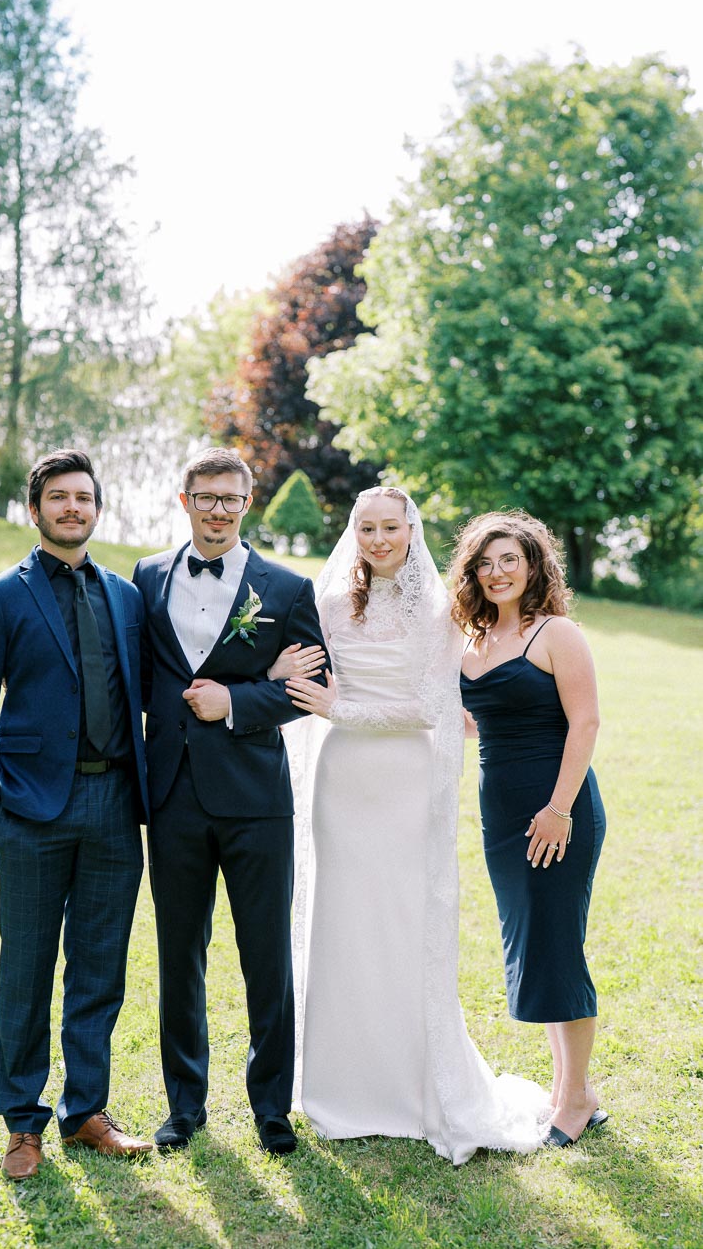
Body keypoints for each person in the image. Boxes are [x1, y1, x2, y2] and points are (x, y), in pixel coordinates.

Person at [281, 487, 549, 1165]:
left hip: (401, 778)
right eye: (365, 527)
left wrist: (343, 710)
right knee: (342, 919)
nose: (377, 539)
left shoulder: (439, 609)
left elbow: (430, 705)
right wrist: (288, 674)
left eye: (389, 527)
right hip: (341, 781)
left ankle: (407, 1086)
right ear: (354, 531)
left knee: (400, 920)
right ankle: (341, 1088)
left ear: (410, 530)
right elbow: (302, 666)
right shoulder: (330, 599)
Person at [0, 449, 153, 1179]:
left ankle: (86, 1113)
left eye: (84, 498)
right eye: (59, 498)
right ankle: (22, 1122)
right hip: (30, 808)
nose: (73, 508)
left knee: (100, 967)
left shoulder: (127, 597)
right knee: (28, 968)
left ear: (98, 509)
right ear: (35, 510)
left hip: (113, 803)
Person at [132, 447, 327, 1155]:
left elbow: (312, 686)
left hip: (255, 799)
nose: (218, 510)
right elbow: (143, 671)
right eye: (205, 497)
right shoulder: (147, 576)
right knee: (178, 954)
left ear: (248, 504)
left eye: (231, 499)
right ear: (184, 500)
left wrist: (238, 700)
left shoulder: (286, 588)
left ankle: (272, 1105)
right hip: (173, 794)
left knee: (265, 955)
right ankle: (185, 1106)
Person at [451, 510, 607, 1148]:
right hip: (503, 817)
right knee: (534, 947)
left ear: (534, 565)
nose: (496, 572)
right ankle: (574, 1090)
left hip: (558, 812)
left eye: (508, 560)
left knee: (557, 946)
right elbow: (473, 719)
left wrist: (560, 808)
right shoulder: (474, 642)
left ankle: (573, 1102)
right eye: (485, 563)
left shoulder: (556, 633)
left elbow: (587, 723)